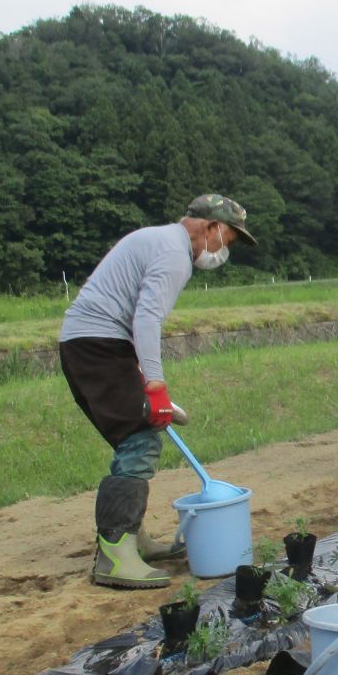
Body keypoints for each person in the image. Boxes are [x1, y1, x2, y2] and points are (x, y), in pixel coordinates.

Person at [58, 195, 257, 589]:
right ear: (209, 227)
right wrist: (155, 387)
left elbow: (128, 313)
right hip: (97, 347)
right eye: (228, 239)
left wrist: (141, 376)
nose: (224, 249)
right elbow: (146, 319)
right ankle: (116, 556)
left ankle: (134, 539)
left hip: (92, 344)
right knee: (140, 441)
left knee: (133, 440)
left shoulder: (158, 239)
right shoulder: (175, 254)